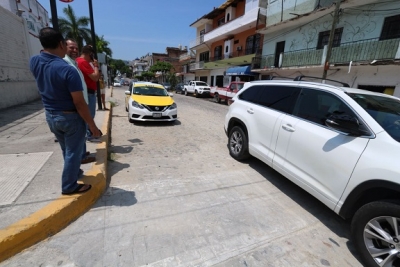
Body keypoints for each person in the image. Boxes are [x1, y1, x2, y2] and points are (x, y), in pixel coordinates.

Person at [29, 27, 101, 195]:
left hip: (51, 115)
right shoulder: (67, 69)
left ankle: (75, 173)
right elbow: (79, 103)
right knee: (74, 153)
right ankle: (69, 186)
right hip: (70, 117)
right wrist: (92, 126)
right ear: (61, 44)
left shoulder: (34, 61)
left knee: (66, 150)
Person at [63, 38, 96, 164]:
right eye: (72, 48)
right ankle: (80, 157)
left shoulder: (74, 62)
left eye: (76, 48)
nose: (75, 50)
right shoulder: (71, 63)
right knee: (80, 131)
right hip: (77, 104)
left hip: (82, 100)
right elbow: (94, 77)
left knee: (81, 130)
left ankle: (82, 153)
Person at [76, 45, 101, 143]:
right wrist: (96, 66)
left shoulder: (79, 61)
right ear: (90, 54)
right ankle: (89, 134)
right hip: (89, 92)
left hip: (88, 92)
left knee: (89, 114)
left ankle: (89, 133)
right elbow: (95, 77)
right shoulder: (83, 62)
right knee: (90, 115)